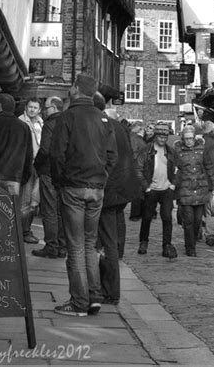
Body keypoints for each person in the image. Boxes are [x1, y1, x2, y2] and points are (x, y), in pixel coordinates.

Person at [50, 74, 118, 317]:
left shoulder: (67, 116)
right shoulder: (103, 119)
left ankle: (79, 302)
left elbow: (57, 154)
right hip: (96, 189)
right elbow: (112, 156)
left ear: (76, 89)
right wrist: (102, 179)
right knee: (90, 244)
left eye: (71, 85)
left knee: (76, 246)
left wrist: (60, 181)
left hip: (74, 187)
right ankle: (94, 297)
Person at [94, 92, 141, 304]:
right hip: (122, 189)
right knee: (112, 235)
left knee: (106, 242)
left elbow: (105, 160)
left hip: (109, 190)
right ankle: (107, 288)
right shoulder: (118, 126)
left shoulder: (101, 126)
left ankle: (109, 291)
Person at [135, 121, 178, 258]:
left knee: (167, 217)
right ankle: (143, 241)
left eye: (165, 138)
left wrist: (173, 185)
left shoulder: (170, 151)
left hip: (166, 189)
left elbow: (179, 169)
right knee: (147, 217)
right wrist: (146, 187)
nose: (162, 140)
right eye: (160, 137)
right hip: (151, 189)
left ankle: (167, 245)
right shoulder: (146, 150)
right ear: (155, 136)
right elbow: (138, 169)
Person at [173, 124, 214, 257]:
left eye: (191, 138)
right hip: (185, 190)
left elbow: (209, 166)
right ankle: (190, 247)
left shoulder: (202, 149)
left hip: (200, 188)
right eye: (186, 138)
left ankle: (193, 241)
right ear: (183, 138)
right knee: (189, 220)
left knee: (197, 220)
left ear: (194, 137)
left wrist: (213, 186)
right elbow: (175, 170)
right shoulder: (178, 151)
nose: (189, 141)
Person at [32, 96, 67, 259]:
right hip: (64, 173)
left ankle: (51, 246)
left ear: (54, 107)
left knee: (50, 211)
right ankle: (61, 245)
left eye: (46, 108)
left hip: (49, 172)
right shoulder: (68, 122)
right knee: (61, 210)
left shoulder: (50, 124)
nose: (44, 111)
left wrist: (37, 165)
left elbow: (45, 150)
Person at [19, 97, 43, 243]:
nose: (32, 110)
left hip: (38, 166)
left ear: (39, 110)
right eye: (30, 107)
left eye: (35, 107)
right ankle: (23, 231)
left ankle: (26, 230)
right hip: (27, 165)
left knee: (35, 201)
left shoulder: (41, 123)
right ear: (26, 107)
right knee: (25, 201)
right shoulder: (21, 122)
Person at [128, 121, 147, 221]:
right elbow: (134, 153)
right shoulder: (135, 138)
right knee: (138, 191)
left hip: (136, 167)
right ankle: (136, 214)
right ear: (140, 129)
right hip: (138, 167)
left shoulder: (131, 137)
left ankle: (138, 213)